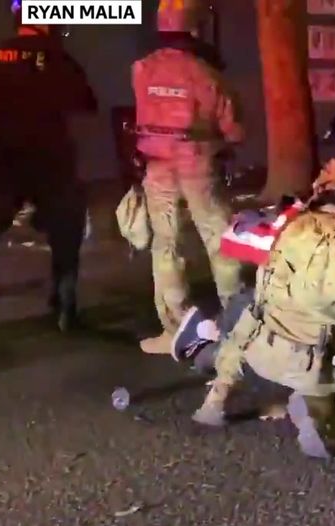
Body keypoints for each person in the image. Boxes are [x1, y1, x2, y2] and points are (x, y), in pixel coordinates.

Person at [179, 160, 335, 459]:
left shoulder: (286, 224)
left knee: (252, 305)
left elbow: (238, 247)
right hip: (314, 366)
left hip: (260, 349)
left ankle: (215, 399)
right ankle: (319, 416)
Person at [0, 1, 97, 330]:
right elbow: (86, 105)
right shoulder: (60, 59)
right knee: (65, 233)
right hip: (52, 161)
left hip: (7, 162)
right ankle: (65, 306)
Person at [132, 0, 244, 354]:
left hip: (157, 166)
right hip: (199, 166)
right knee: (221, 241)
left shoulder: (141, 69)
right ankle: (238, 325)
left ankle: (176, 330)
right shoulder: (207, 74)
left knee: (166, 247)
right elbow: (235, 129)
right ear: (195, 27)